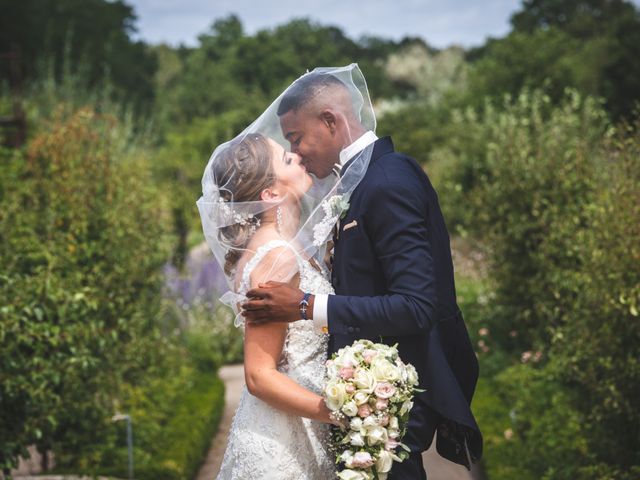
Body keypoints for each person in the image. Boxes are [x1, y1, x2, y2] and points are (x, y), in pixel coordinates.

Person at [242, 66, 483, 479]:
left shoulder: (387, 180)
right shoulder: (359, 183)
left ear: (331, 121)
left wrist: (305, 305)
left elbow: (416, 306)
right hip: (362, 401)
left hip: (390, 402)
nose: (296, 153)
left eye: (296, 137)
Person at [197, 132, 338, 479]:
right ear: (270, 194)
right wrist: (338, 411)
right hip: (281, 445)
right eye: (288, 159)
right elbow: (259, 375)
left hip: (295, 428)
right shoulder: (277, 257)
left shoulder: (278, 248)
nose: (298, 155)